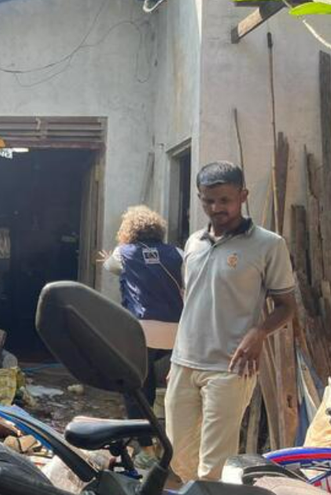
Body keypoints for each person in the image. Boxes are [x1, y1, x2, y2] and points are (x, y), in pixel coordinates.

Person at [165, 161, 296, 482]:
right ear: (200, 197)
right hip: (185, 364)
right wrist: (176, 359)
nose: (216, 207)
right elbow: (191, 303)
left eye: (224, 200)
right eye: (208, 200)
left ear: (243, 195)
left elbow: (286, 305)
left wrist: (259, 332)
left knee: (213, 465)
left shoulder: (268, 244)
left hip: (231, 367)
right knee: (175, 456)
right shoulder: (194, 243)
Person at [100, 205, 183, 468]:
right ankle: (173, 443)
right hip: (177, 332)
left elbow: (111, 268)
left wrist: (108, 259)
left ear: (129, 230)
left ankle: (146, 447)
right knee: (177, 390)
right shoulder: (178, 253)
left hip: (143, 331)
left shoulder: (123, 253)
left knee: (136, 386)